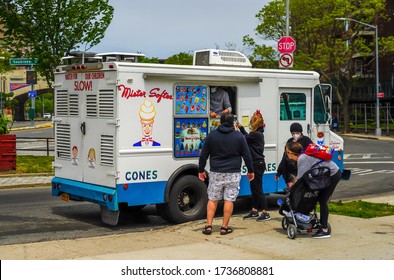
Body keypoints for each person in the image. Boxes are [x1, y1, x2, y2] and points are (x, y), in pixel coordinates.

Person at [198, 112, 254, 235]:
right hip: (233, 173)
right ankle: (224, 227)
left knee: (212, 199)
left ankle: (208, 226)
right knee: (229, 199)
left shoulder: (212, 136)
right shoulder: (239, 137)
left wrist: (201, 170)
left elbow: (204, 155)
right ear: (233, 123)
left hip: (216, 172)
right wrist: (250, 171)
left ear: (220, 122)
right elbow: (247, 155)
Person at [285, 142, 341, 238]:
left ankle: (324, 230)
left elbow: (300, 179)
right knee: (320, 199)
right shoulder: (304, 156)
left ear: (290, 152)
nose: (286, 155)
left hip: (332, 175)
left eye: (286, 153)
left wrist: (291, 188)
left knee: (323, 200)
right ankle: (323, 225)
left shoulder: (302, 159)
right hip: (331, 173)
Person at [237, 110, 270, 221]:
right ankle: (255, 210)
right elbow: (246, 136)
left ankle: (265, 212)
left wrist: (238, 130)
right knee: (254, 188)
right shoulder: (258, 134)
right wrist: (241, 128)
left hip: (257, 163)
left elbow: (243, 138)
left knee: (258, 189)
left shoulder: (255, 135)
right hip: (256, 163)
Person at [275, 122, 313, 187]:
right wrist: (279, 172)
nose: (295, 135)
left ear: (301, 132)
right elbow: (284, 158)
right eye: (293, 133)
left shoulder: (306, 140)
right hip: (290, 173)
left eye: (297, 133)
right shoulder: (289, 141)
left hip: (302, 172)